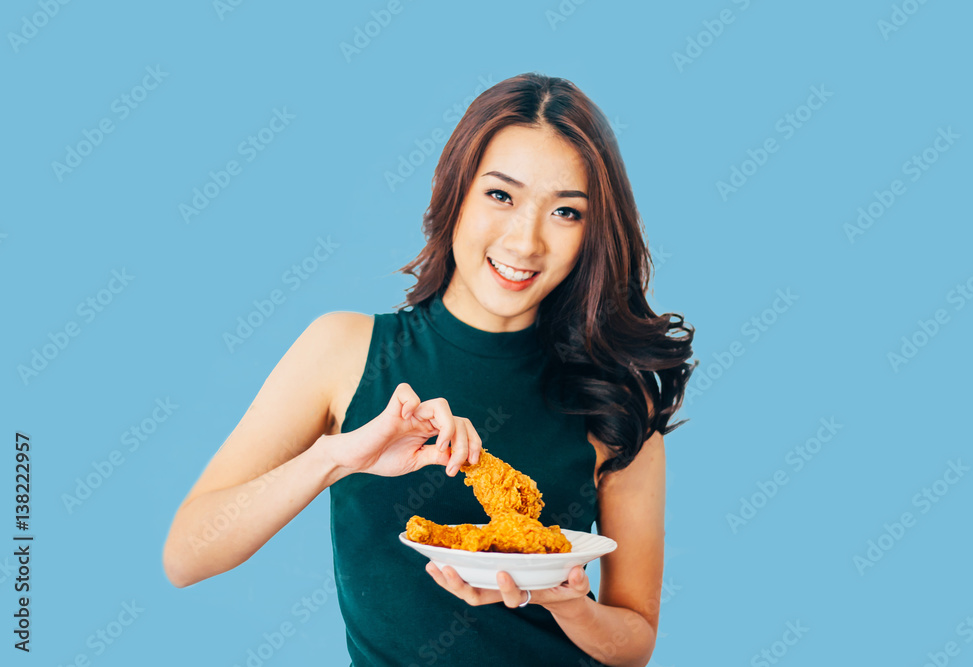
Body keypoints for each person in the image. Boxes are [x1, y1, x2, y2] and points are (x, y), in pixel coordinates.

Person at [162, 72, 695, 667]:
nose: (525, 243)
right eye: (501, 195)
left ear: (593, 233)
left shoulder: (618, 399)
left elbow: (634, 642)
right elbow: (186, 556)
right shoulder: (344, 350)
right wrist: (337, 457)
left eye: (566, 212)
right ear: (456, 192)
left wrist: (568, 605)